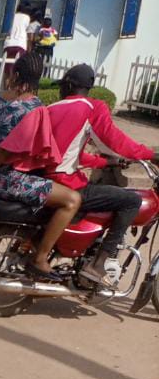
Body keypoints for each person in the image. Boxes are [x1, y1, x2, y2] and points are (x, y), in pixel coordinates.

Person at [0, 52, 79, 281]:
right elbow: (4, 151)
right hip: (6, 180)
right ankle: (40, 258)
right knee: (72, 200)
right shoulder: (33, 109)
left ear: (15, 73)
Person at [44, 63, 159, 285]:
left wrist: (105, 162)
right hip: (66, 184)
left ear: (68, 85)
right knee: (130, 200)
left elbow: (66, 152)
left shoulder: (53, 107)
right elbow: (113, 141)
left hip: (46, 179)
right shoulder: (91, 107)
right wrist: (149, 155)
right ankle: (99, 264)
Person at [2, 5, 31, 82]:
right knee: (18, 69)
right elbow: (27, 30)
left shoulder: (11, 16)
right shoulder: (26, 17)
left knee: (7, 70)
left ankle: (6, 88)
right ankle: (13, 88)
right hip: (20, 44)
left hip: (8, 43)